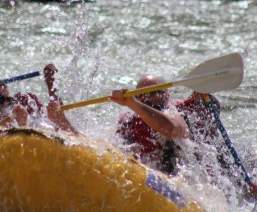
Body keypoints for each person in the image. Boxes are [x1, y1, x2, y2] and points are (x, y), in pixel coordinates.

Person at [47, 74, 190, 175]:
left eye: (152, 93)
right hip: (139, 177)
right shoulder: (128, 122)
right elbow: (102, 151)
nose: (146, 97)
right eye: (141, 94)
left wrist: (133, 103)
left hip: (171, 182)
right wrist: (64, 123)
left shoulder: (174, 115)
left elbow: (171, 129)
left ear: (166, 96)